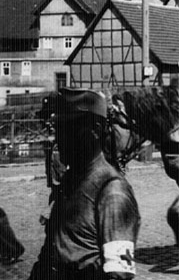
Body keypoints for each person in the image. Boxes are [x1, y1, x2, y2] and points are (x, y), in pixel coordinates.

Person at [29, 88, 141, 280]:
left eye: (69, 130)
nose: (60, 139)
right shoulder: (72, 179)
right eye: (59, 129)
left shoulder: (112, 192)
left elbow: (119, 274)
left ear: (96, 131)